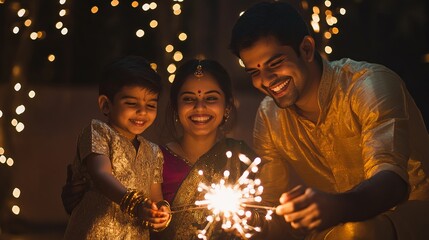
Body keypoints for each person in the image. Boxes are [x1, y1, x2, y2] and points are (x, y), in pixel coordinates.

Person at [229, 1, 429, 239]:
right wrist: (248, 218)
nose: (266, 79)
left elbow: (393, 183)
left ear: (306, 49)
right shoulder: (269, 115)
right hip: (335, 226)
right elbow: (270, 202)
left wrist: (336, 207)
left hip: (411, 216)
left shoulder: (369, 85)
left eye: (276, 63)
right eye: (254, 72)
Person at [63, 55, 171, 239]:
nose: (142, 112)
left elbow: (155, 196)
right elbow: (101, 174)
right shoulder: (98, 131)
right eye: (131, 103)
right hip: (94, 232)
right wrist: (136, 205)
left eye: (151, 105)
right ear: (106, 104)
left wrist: (161, 213)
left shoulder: (153, 151)